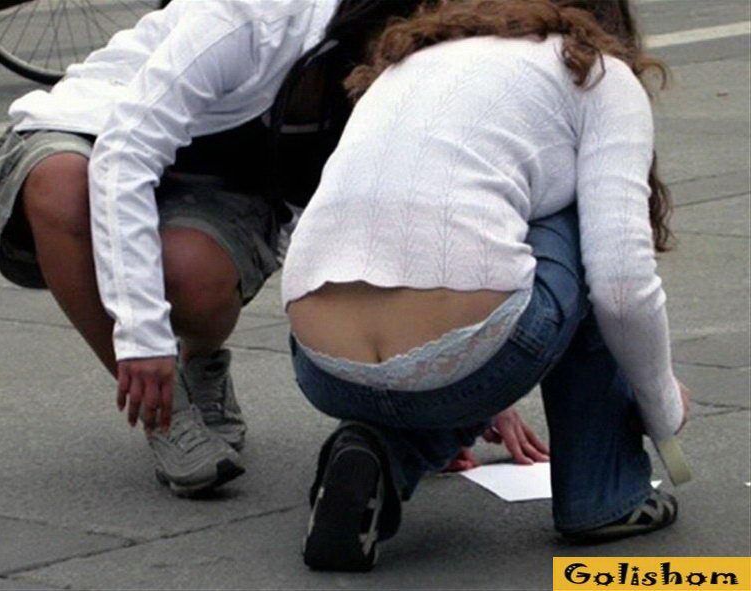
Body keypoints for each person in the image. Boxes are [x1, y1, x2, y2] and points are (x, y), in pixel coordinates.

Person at [282, 0, 693, 571]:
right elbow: (621, 287)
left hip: (322, 365)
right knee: (582, 224)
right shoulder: (595, 72)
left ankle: (381, 456)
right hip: (466, 351)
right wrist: (663, 406)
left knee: (482, 233)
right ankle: (605, 496)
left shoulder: (413, 57)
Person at [0, 0, 442, 496]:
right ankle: (167, 412)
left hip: (221, 172)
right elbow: (125, 155)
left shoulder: (427, 61)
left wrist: (444, 404)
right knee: (60, 183)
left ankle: (201, 362)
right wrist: (143, 339)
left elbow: (405, 221)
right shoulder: (249, 15)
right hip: (102, 130)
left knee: (195, 278)